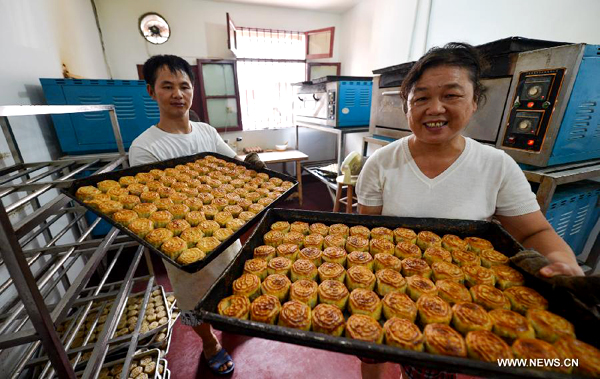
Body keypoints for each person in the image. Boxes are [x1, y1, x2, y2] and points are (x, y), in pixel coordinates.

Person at [356, 43, 583, 379]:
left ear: (475, 101)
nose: (435, 108)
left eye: (451, 95)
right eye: (420, 98)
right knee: (370, 349)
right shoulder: (380, 163)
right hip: (388, 282)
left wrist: (563, 263)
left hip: (459, 298)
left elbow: (534, 232)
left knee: (432, 368)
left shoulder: (497, 166)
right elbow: (364, 232)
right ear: (407, 107)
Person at [129, 55, 257, 375]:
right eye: (167, 86)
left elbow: (234, 166)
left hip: (223, 228)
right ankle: (209, 342)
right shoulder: (145, 147)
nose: (178, 94)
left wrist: (251, 165)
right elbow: (153, 203)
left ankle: (232, 317)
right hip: (181, 241)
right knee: (190, 300)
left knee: (233, 278)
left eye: (184, 86)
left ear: (193, 90)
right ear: (151, 91)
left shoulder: (206, 131)